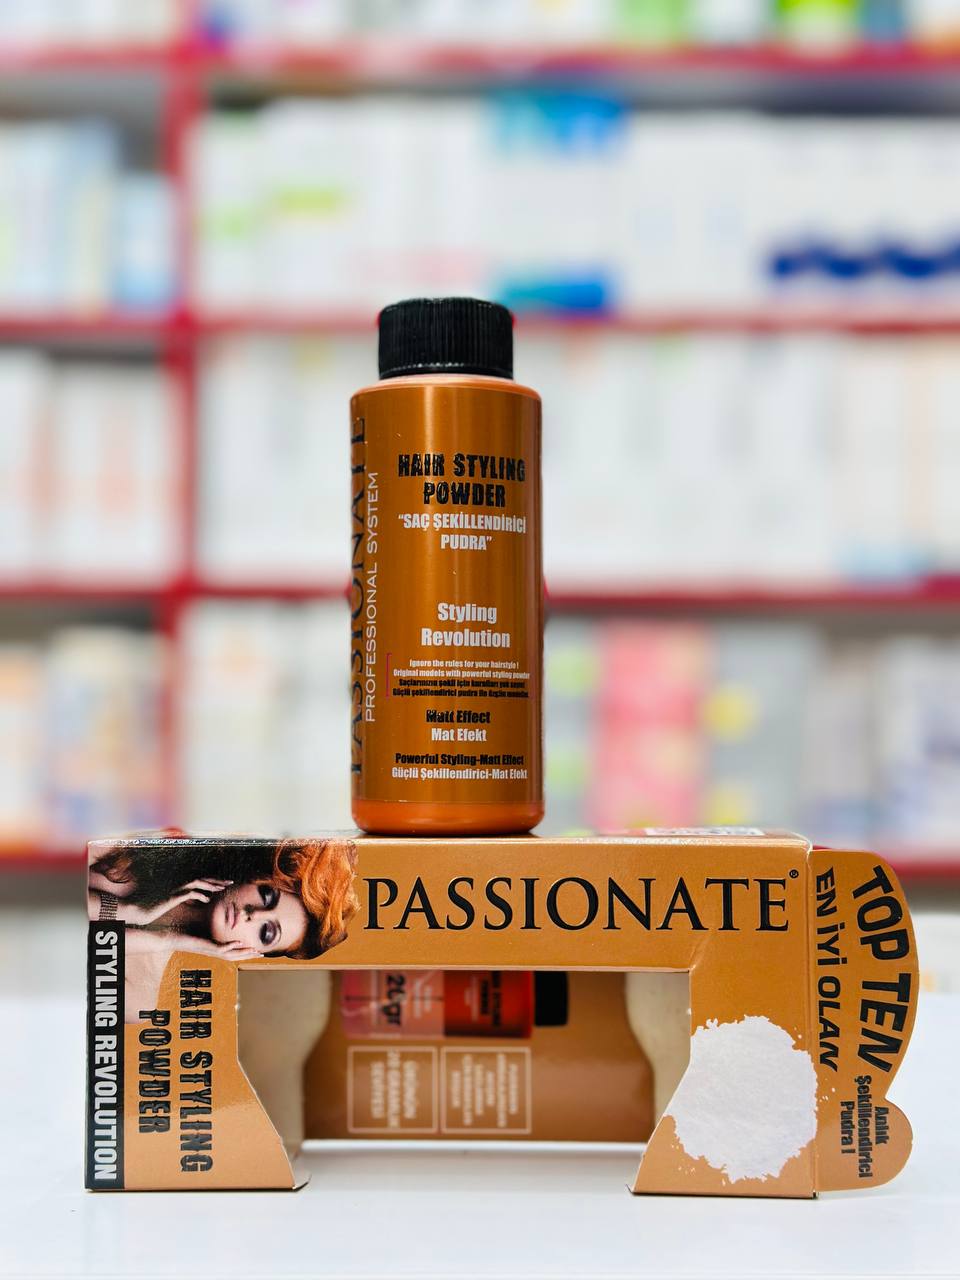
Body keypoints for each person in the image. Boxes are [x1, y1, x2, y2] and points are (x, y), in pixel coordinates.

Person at [87, 836, 359, 1020]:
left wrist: (166, 938)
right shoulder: (147, 848)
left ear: (251, 952)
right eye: (266, 896)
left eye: (266, 932)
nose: (252, 914)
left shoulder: (139, 999)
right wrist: (131, 911)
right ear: (256, 877)